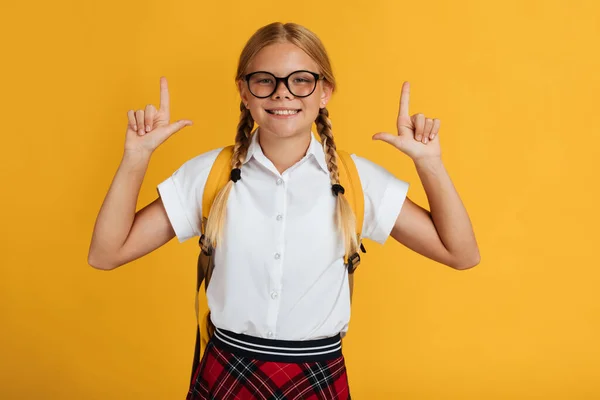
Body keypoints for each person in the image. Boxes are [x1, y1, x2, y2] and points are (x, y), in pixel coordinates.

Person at [88, 21, 480, 400]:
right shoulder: (210, 174)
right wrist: (136, 157)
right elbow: (107, 254)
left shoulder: (358, 180)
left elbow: (460, 253)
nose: (283, 94)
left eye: (301, 80)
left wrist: (430, 163)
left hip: (317, 376)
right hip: (227, 372)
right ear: (244, 92)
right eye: (265, 80)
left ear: (324, 91)